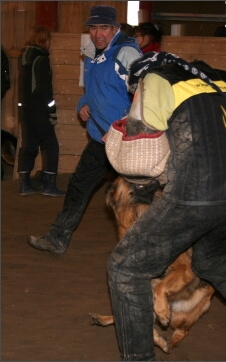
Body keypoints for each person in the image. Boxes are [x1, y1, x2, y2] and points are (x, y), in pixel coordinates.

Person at [106, 52, 226, 361]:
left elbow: (142, 144)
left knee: (125, 267)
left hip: (191, 194)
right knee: (213, 259)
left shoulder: (157, 80)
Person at [27, 6, 142, 254]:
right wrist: (83, 105)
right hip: (101, 139)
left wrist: (122, 128)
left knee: (140, 194)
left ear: (115, 28)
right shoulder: (91, 53)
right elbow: (90, 91)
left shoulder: (127, 54)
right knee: (79, 185)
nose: (97, 34)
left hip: (126, 140)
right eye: (93, 28)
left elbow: (143, 96)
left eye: (103, 28)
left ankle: (146, 249)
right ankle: (58, 238)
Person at [17, 26, 65, 197]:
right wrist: (52, 111)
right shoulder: (42, 59)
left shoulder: (24, 57)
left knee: (28, 145)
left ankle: (25, 184)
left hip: (25, 110)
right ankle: (49, 186)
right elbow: (45, 90)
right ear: (45, 40)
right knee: (50, 145)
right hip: (40, 111)